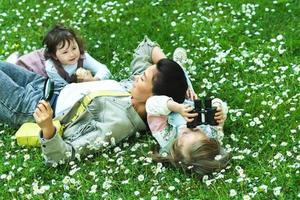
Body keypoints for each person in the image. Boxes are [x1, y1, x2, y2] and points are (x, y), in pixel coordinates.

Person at [0, 37, 188, 165]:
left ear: (155, 99)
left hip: (34, 106)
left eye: (143, 79)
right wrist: (181, 78)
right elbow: (145, 47)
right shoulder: (135, 91)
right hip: (43, 84)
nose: (137, 77)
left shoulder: (118, 124)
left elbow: (65, 154)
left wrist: (47, 127)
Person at [7, 24, 111, 93]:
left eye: (74, 48)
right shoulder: (52, 68)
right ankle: (11, 63)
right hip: (33, 69)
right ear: (55, 56)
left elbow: (104, 69)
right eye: (65, 52)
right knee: (18, 82)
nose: (72, 54)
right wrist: (82, 85)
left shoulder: (82, 57)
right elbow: (63, 91)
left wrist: (95, 80)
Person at [146, 95, 231, 176]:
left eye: (185, 133)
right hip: (186, 93)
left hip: (162, 93)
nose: (188, 126)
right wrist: (218, 108)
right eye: (197, 129)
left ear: (176, 147)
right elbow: (219, 104)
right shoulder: (212, 135)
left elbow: (151, 104)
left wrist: (177, 107)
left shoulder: (165, 136)